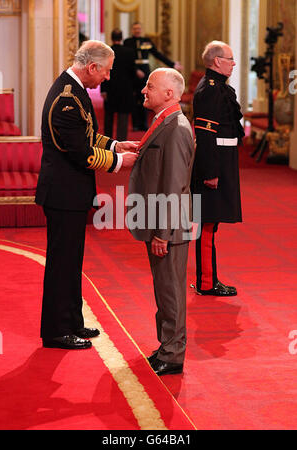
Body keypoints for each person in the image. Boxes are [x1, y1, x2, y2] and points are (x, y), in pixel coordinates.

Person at [35, 40, 138, 350]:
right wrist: (120, 163)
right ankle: (56, 331)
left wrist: (115, 145)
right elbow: (79, 151)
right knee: (61, 264)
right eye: (105, 71)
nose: (107, 77)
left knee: (72, 261)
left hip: (70, 193)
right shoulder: (67, 98)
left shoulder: (74, 89)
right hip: (63, 194)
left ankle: (72, 321)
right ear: (92, 67)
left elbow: (88, 134)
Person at [128, 68, 195, 376]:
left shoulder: (177, 126)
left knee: (171, 290)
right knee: (165, 289)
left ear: (169, 94)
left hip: (169, 225)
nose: (144, 90)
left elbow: (175, 186)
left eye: (150, 86)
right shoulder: (163, 121)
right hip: (159, 221)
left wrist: (164, 234)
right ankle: (166, 345)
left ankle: (173, 354)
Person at [190, 41, 245, 297]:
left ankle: (209, 280)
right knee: (208, 224)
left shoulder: (217, 86)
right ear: (216, 61)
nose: (234, 63)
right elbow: (206, 134)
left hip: (222, 160)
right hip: (214, 163)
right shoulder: (210, 90)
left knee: (212, 223)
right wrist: (210, 172)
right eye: (230, 59)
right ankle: (206, 282)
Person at [124, 22, 182, 131]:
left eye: (139, 29)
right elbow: (127, 59)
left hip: (145, 71)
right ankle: (135, 124)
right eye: (135, 29)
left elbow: (157, 54)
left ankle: (144, 123)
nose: (137, 30)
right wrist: (135, 69)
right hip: (133, 71)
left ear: (141, 30)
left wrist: (173, 64)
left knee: (145, 97)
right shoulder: (128, 42)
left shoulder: (146, 42)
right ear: (132, 30)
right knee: (134, 97)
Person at [101, 28, 136, 141]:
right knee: (123, 117)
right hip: (125, 88)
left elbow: (103, 71)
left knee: (108, 117)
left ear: (111, 38)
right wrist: (133, 89)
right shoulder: (129, 52)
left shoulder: (106, 52)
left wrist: (103, 89)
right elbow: (132, 72)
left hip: (110, 88)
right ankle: (121, 142)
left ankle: (107, 141)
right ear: (122, 38)